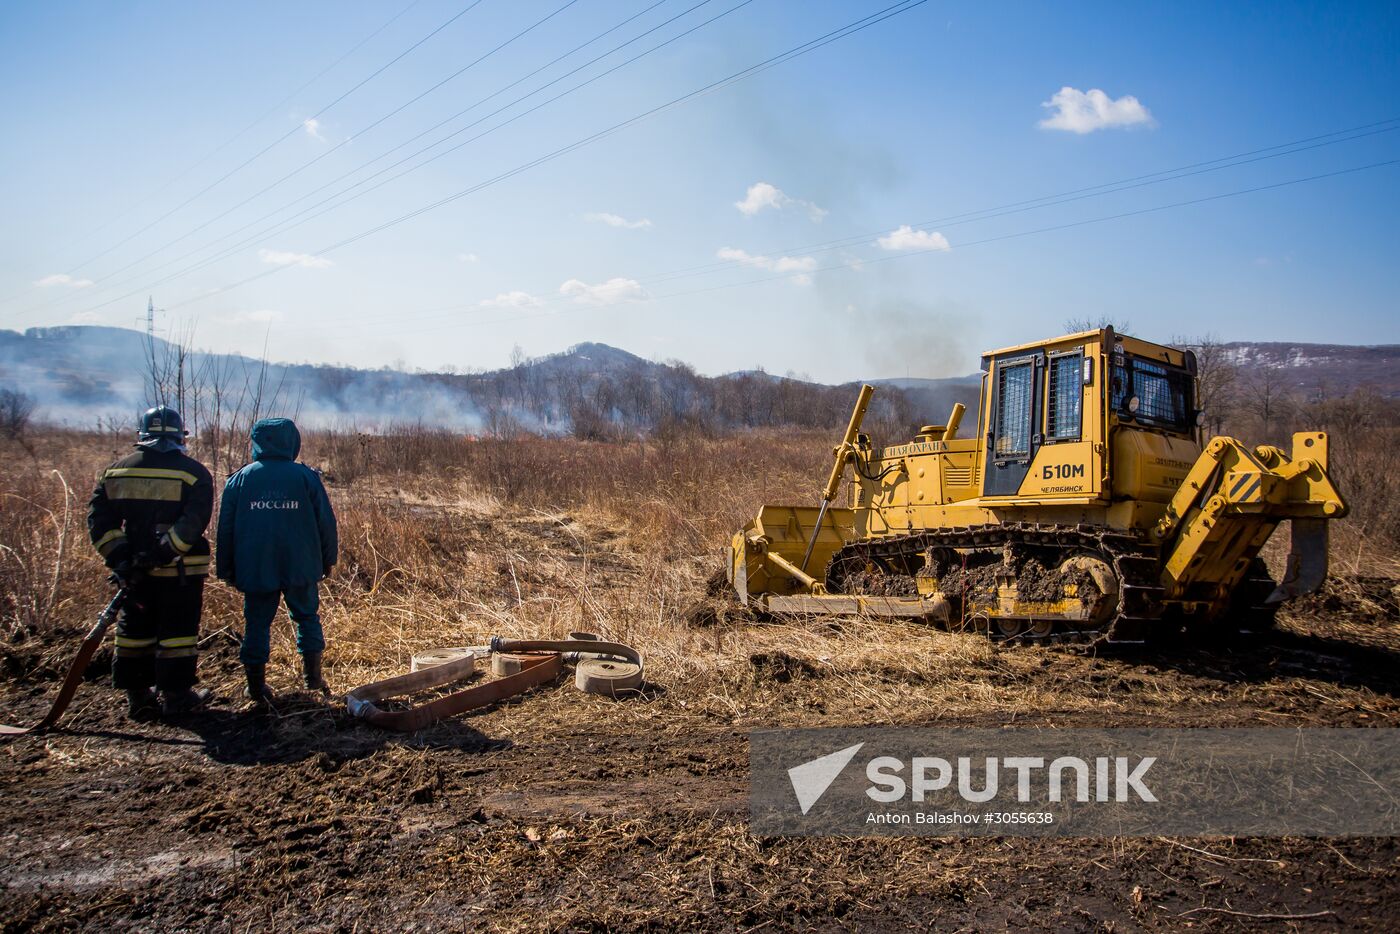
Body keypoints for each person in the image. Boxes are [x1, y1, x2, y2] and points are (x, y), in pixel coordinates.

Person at [88, 406, 214, 720]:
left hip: (133, 577)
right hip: (180, 575)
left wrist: (122, 559)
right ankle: (176, 696)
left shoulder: (115, 472)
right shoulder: (194, 473)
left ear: (142, 436)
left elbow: (99, 522)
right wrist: (162, 554)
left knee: (134, 631)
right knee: (179, 633)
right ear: (179, 436)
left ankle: (138, 698)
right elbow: (193, 523)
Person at [216, 417, 338, 708]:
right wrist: (328, 559)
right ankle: (313, 680)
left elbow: (226, 529)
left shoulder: (241, 479)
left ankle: (255, 688)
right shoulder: (306, 477)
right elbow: (326, 523)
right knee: (307, 617)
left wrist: (227, 569)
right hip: (302, 563)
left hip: (256, 565)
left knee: (256, 623)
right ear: (292, 442)